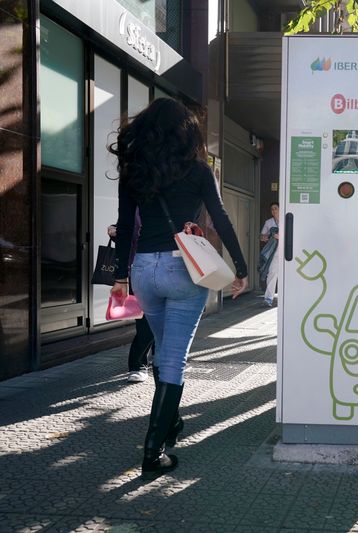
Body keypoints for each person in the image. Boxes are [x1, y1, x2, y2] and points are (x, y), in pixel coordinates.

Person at [110, 98, 248, 480]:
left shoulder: (134, 171)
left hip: (143, 271)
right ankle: (153, 453)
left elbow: (124, 227)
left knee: (162, 350)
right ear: (186, 131)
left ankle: (170, 423)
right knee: (173, 360)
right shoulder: (198, 171)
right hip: (183, 271)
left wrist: (120, 277)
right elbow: (221, 218)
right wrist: (241, 268)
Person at [107, 220, 153, 383]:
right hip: (138, 272)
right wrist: (114, 231)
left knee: (166, 320)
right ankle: (137, 364)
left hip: (169, 271)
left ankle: (160, 358)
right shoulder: (136, 208)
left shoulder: (174, 203)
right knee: (146, 322)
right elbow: (125, 232)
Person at [259, 202, 280, 306]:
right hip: (274, 252)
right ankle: (268, 298)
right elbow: (262, 237)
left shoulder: (287, 219)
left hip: (287, 252)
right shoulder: (269, 222)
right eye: (272, 209)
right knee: (272, 273)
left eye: (276, 208)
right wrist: (269, 236)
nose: (274, 211)